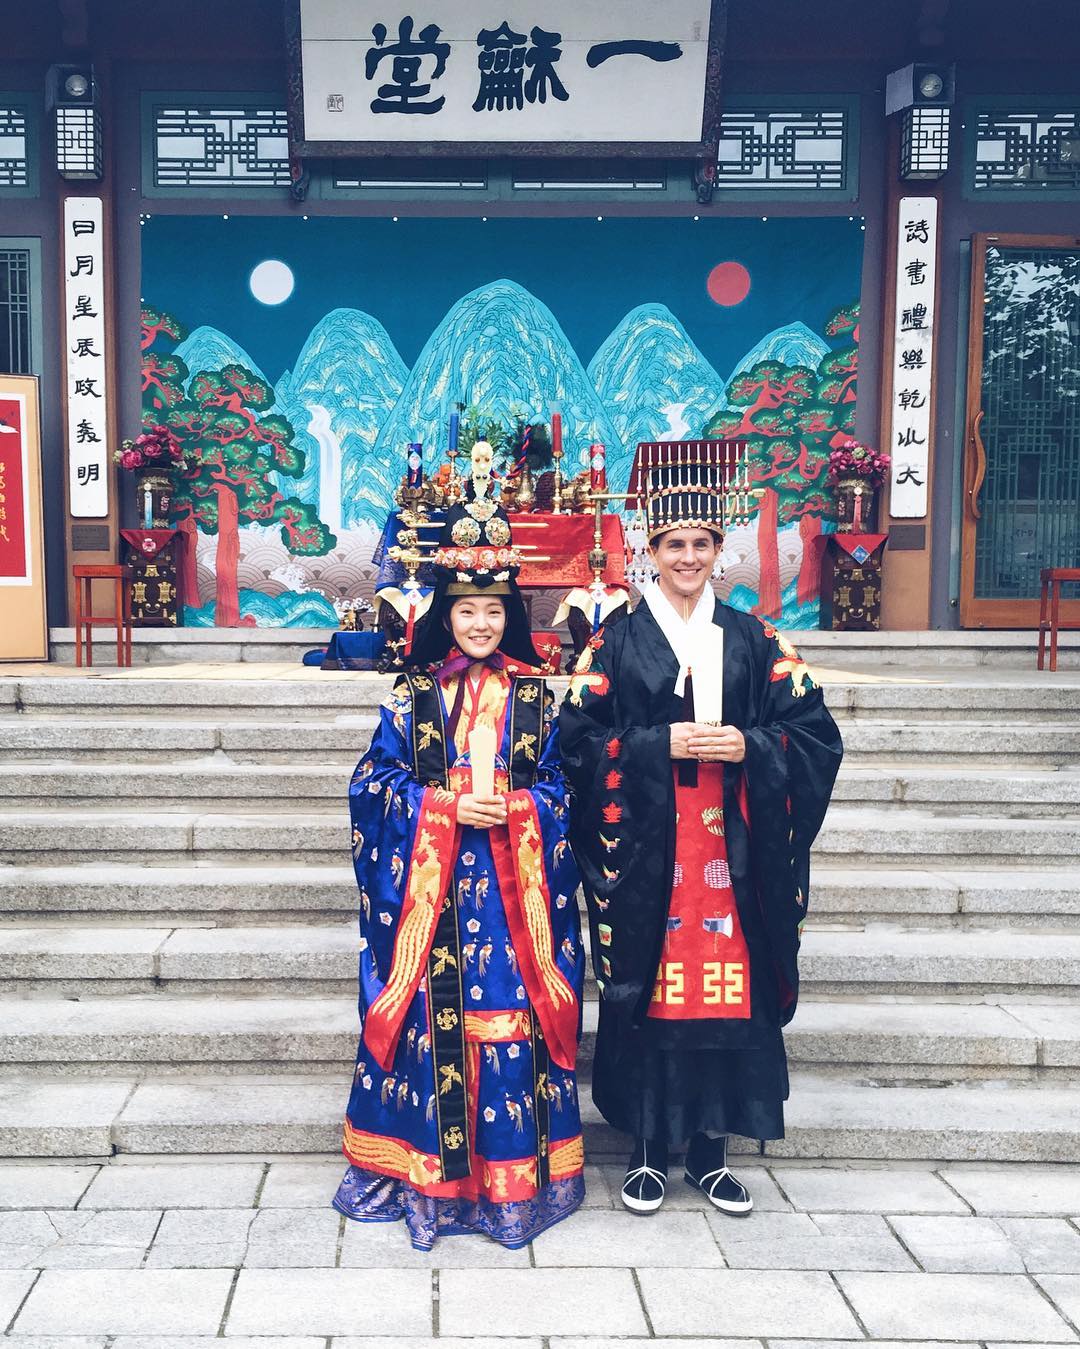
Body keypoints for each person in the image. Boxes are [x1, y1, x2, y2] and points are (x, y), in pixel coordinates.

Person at [560, 449, 842, 1216]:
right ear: (649, 553)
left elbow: (815, 733)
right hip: (650, 854)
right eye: (672, 544)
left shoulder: (756, 638)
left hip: (734, 851)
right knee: (650, 990)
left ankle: (714, 1151)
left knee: (728, 994)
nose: (688, 557)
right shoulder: (613, 640)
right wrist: (658, 745)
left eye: (702, 544)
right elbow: (575, 740)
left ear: (721, 552)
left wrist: (753, 746)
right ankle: (650, 1149)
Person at [333, 498, 586, 1250]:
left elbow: (565, 791)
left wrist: (517, 811)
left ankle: (508, 1182)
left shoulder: (539, 698)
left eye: (494, 611)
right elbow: (370, 787)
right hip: (434, 894)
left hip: (515, 895)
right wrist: (439, 809)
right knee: (432, 1019)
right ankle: (428, 1180)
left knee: (506, 1020)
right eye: (468, 610)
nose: (481, 624)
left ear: (511, 615)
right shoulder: (411, 699)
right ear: (447, 614)